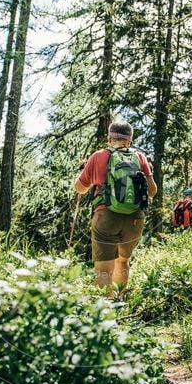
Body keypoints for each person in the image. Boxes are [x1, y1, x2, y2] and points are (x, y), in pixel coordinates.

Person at [74, 120, 157, 297]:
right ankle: (119, 303)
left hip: (106, 216)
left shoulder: (98, 156)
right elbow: (152, 191)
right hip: (134, 219)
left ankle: (105, 312)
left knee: (104, 267)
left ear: (109, 138)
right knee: (123, 261)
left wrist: (84, 170)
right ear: (130, 139)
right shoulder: (139, 157)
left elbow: (80, 188)